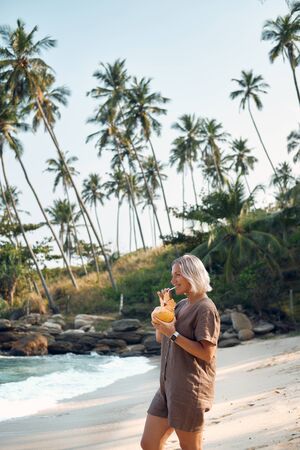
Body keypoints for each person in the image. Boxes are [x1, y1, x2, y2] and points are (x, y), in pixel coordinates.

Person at [140, 254, 220, 450]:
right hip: (167, 387)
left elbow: (207, 354)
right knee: (149, 444)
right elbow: (162, 338)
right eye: (172, 275)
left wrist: (172, 333)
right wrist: (162, 312)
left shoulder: (206, 309)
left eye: (178, 275)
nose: (172, 281)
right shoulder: (182, 305)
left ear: (192, 275)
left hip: (189, 390)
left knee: (190, 447)